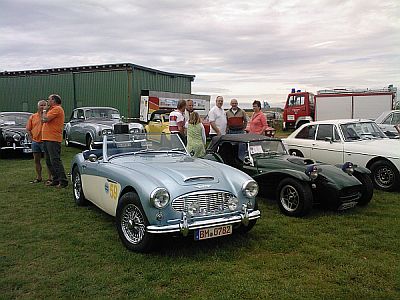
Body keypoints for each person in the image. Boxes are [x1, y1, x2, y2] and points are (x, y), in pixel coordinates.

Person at [42, 94, 68, 188]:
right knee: (49, 161)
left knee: (55, 160)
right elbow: (43, 119)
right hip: (47, 138)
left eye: (48, 99)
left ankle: (63, 180)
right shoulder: (52, 110)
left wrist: (44, 110)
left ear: (53, 100)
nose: (47, 101)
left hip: (53, 139)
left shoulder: (57, 109)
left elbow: (45, 119)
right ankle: (56, 179)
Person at [26, 100, 52, 184]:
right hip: (35, 142)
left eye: (44, 105)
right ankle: (39, 177)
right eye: (41, 105)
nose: (43, 106)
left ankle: (50, 178)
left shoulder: (48, 115)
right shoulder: (33, 117)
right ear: (38, 106)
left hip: (46, 141)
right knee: (36, 160)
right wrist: (31, 139)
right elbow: (28, 129)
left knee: (48, 160)